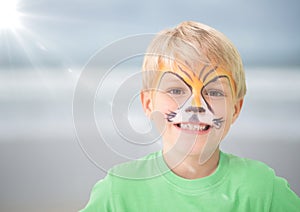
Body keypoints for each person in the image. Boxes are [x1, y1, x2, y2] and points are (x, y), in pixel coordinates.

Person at [80, 21, 300, 211]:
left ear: (235, 108)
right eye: (176, 90)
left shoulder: (262, 189)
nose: (196, 105)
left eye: (214, 92)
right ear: (148, 103)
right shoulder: (119, 190)